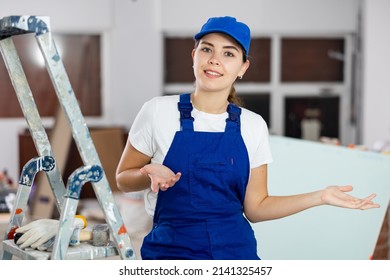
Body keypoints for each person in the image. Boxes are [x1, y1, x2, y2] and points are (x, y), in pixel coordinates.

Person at [115, 16, 380, 260]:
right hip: (170, 252)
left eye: (228, 53)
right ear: (194, 56)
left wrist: (320, 196)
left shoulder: (252, 126)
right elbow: (123, 179)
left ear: (243, 67)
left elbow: (256, 207)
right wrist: (148, 173)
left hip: (235, 253)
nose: (214, 59)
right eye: (207, 49)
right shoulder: (157, 111)